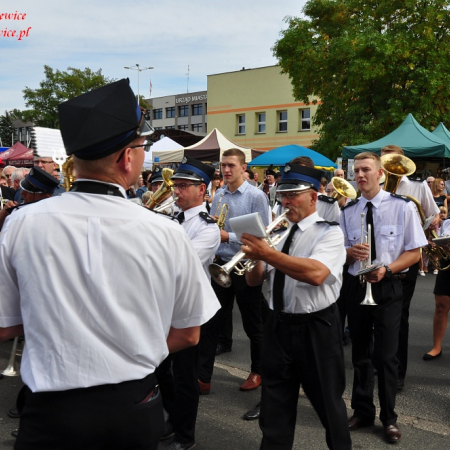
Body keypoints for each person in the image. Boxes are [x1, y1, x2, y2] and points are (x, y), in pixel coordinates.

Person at [0, 78, 219, 450]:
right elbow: (188, 333)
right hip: (133, 407)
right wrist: (131, 347)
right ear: (126, 158)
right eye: (140, 145)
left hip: (50, 410)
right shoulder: (165, 232)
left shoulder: (22, 222)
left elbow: (5, 326)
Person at [242, 162, 351, 450]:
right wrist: (252, 258)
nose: (286, 201)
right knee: (274, 410)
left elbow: (315, 274)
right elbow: (255, 282)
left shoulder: (329, 233)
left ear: (313, 197)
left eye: (294, 194)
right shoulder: (275, 234)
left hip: (317, 327)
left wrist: (267, 253)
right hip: (277, 326)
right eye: (283, 194)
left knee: (329, 406)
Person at [340, 151, 426, 444]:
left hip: (388, 285)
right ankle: (362, 411)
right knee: (360, 353)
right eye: (356, 171)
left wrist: (387, 269)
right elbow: (339, 251)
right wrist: (350, 253)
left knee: (386, 357)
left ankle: (389, 419)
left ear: (380, 174)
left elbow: (415, 252)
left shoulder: (401, 208)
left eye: (366, 170)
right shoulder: (348, 210)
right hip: (356, 286)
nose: (360, 175)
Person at [156, 156, 220, 450]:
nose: (176, 192)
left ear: (202, 190)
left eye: (183, 186)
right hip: (162, 306)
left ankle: (185, 436)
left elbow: (178, 264)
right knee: (159, 370)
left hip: (189, 310)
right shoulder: (170, 218)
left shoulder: (208, 228)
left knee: (184, 376)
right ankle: (174, 419)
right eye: (175, 186)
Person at [198, 148, 270, 394]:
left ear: (243, 168)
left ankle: (258, 370)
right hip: (221, 264)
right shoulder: (218, 195)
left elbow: (263, 235)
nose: (226, 170)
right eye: (223, 165)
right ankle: (203, 377)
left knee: (253, 325)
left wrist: (227, 235)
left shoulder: (256, 196)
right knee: (211, 322)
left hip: (244, 266)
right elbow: (213, 225)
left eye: (231, 165)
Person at [380, 144, 440, 389]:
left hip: (406, 256)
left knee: (399, 315)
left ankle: (397, 373)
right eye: (383, 162)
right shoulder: (375, 185)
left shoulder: (417, 186)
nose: (386, 168)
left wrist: (423, 225)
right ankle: (380, 364)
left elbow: (434, 215)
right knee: (377, 315)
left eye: (390, 162)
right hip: (379, 255)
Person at [423, 216, 450, 360]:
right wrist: (436, 245)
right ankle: (436, 347)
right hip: (447, 265)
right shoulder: (447, 221)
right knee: (440, 306)